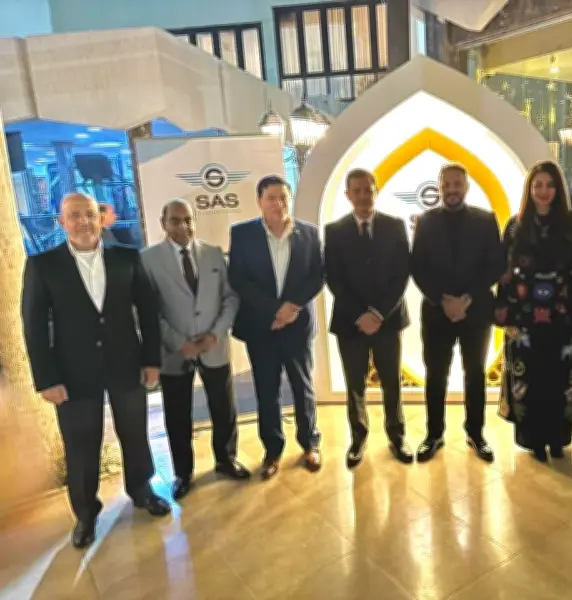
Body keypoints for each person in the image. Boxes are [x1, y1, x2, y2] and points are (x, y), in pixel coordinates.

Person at [21, 192, 169, 550]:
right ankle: (86, 513)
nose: (83, 221)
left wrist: (151, 361)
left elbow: (148, 311)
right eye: (75, 215)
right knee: (81, 445)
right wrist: (47, 379)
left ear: (101, 218)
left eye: (89, 214)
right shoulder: (43, 265)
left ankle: (142, 489)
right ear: (62, 222)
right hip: (72, 373)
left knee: (134, 432)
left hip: (126, 363)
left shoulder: (127, 257)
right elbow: (34, 325)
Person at [141, 199, 250, 500]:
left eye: (188, 219)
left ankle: (226, 459)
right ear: (163, 223)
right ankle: (182, 473)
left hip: (214, 345)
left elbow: (230, 298)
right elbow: (148, 311)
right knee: (177, 414)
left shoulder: (213, 254)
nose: (183, 226)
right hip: (175, 351)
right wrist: (180, 343)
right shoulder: (148, 260)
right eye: (175, 220)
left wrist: (216, 334)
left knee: (223, 407)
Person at [495, 161, 572, 461]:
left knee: (558, 379)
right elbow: (504, 275)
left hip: (563, 318)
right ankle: (535, 442)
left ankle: (557, 440)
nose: (543, 191)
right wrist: (504, 317)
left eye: (550, 185)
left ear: (558, 189)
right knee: (530, 381)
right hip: (524, 320)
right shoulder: (515, 226)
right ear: (529, 189)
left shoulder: (570, 224)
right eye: (538, 185)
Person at [228, 175, 324, 480]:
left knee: (303, 388)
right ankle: (272, 449)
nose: (278, 203)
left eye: (283, 197)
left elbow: (317, 275)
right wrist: (274, 310)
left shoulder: (309, 233)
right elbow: (239, 278)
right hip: (261, 326)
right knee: (266, 391)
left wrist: (292, 306)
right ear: (259, 201)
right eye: (271, 198)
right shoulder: (242, 234)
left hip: (297, 324)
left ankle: (310, 443)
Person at [410, 163, 504, 463]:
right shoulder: (425, 221)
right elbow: (418, 267)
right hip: (436, 312)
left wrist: (465, 299)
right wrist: (443, 300)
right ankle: (433, 434)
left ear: (466, 187)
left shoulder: (486, 220)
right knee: (435, 375)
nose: (452, 189)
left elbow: (495, 265)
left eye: (457, 184)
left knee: (475, 373)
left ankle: (475, 433)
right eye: (446, 184)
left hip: (475, 311)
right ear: (439, 187)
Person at [324, 169, 413, 468]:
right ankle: (358, 438)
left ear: (376, 191)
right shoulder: (334, 231)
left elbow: (402, 273)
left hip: (388, 320)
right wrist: (360, 315)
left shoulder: (395, 225)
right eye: (357, 191)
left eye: (368, 190)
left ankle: (397, 435)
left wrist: (377, 313)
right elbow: (334, 278)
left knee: (392, 382)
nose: (363, 196)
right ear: (348, 195)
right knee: (355, 384)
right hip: (351, 323)